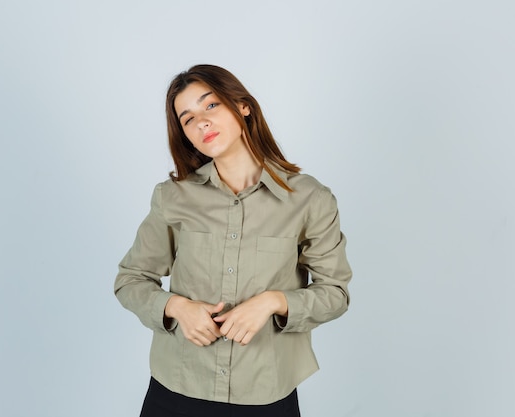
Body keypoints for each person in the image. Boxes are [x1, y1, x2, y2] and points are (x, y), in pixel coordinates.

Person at [114, 64, 352, 417]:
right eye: (188, 118)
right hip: (176, 388)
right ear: (185, 135)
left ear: (243, 106)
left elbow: (336, 293)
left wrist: (274, 302)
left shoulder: (310, 199)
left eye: (210, 105)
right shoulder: (173, 197)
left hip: (265, 394)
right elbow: (130, 279)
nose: (202, 122)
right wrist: (177, 308)